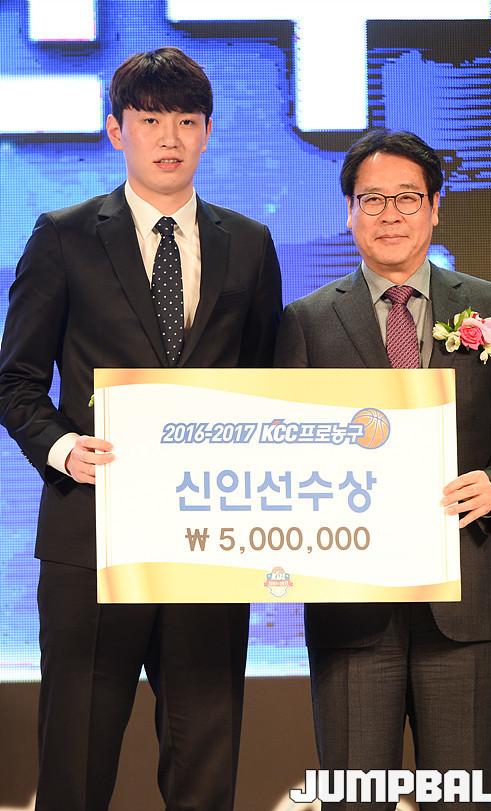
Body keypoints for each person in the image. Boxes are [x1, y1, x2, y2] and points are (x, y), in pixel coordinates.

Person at [0, 47, 282, 811]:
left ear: (208, 132)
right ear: (115, 129)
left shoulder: (248, 243)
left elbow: (267, 385)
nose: (170, 137)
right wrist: (64, 448)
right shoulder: (63, 236)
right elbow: (15, 379)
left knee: (204, 764)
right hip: (91, 535)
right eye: (151, 119)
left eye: (186, 120)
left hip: (208, 540)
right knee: (76, 762)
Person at [274, 129, 491, 810]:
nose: (389, 215)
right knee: (354, 796)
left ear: (435, 206)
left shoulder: (490, 306)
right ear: (349, 212)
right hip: (352, 605)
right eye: (372, 200)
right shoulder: (307, 320)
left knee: (461, 795)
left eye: (406, 198)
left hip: (465, 593)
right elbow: (283, 448)